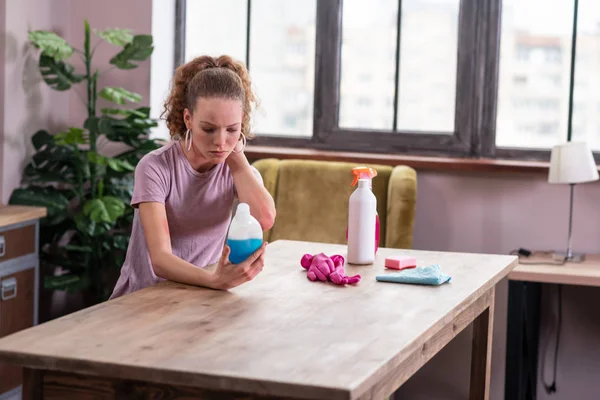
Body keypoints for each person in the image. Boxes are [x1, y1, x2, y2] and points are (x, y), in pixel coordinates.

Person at [110, 55, 276, 299]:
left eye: (232, 129)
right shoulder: (155, 167)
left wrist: (237, 160)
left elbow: (265, 219)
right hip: (144, 299)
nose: (220, 142)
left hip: (200, 298)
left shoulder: (237, 169)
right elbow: (161, 260)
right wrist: (215, 280)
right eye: (209, 129)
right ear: (188, 119)